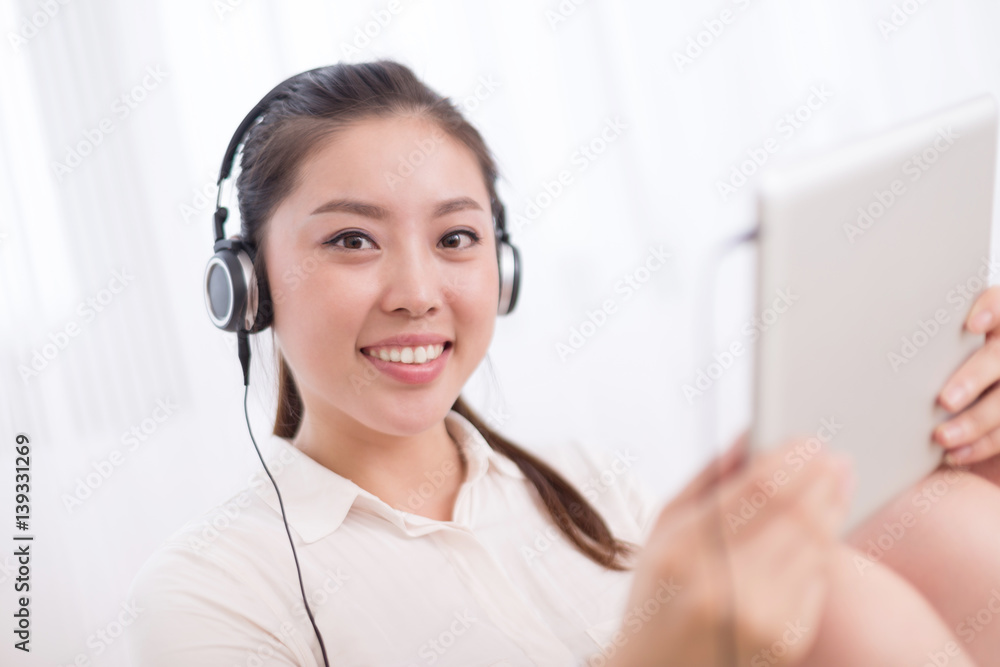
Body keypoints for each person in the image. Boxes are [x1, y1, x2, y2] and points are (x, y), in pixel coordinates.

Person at [126, 60, 1000, 666]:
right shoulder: (214, 586)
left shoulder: (592, 486)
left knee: (942, 508)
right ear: (247, 285)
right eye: (352, 239)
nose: (416, 290)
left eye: (456, 237)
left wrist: (967, 436)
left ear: (500, 271)